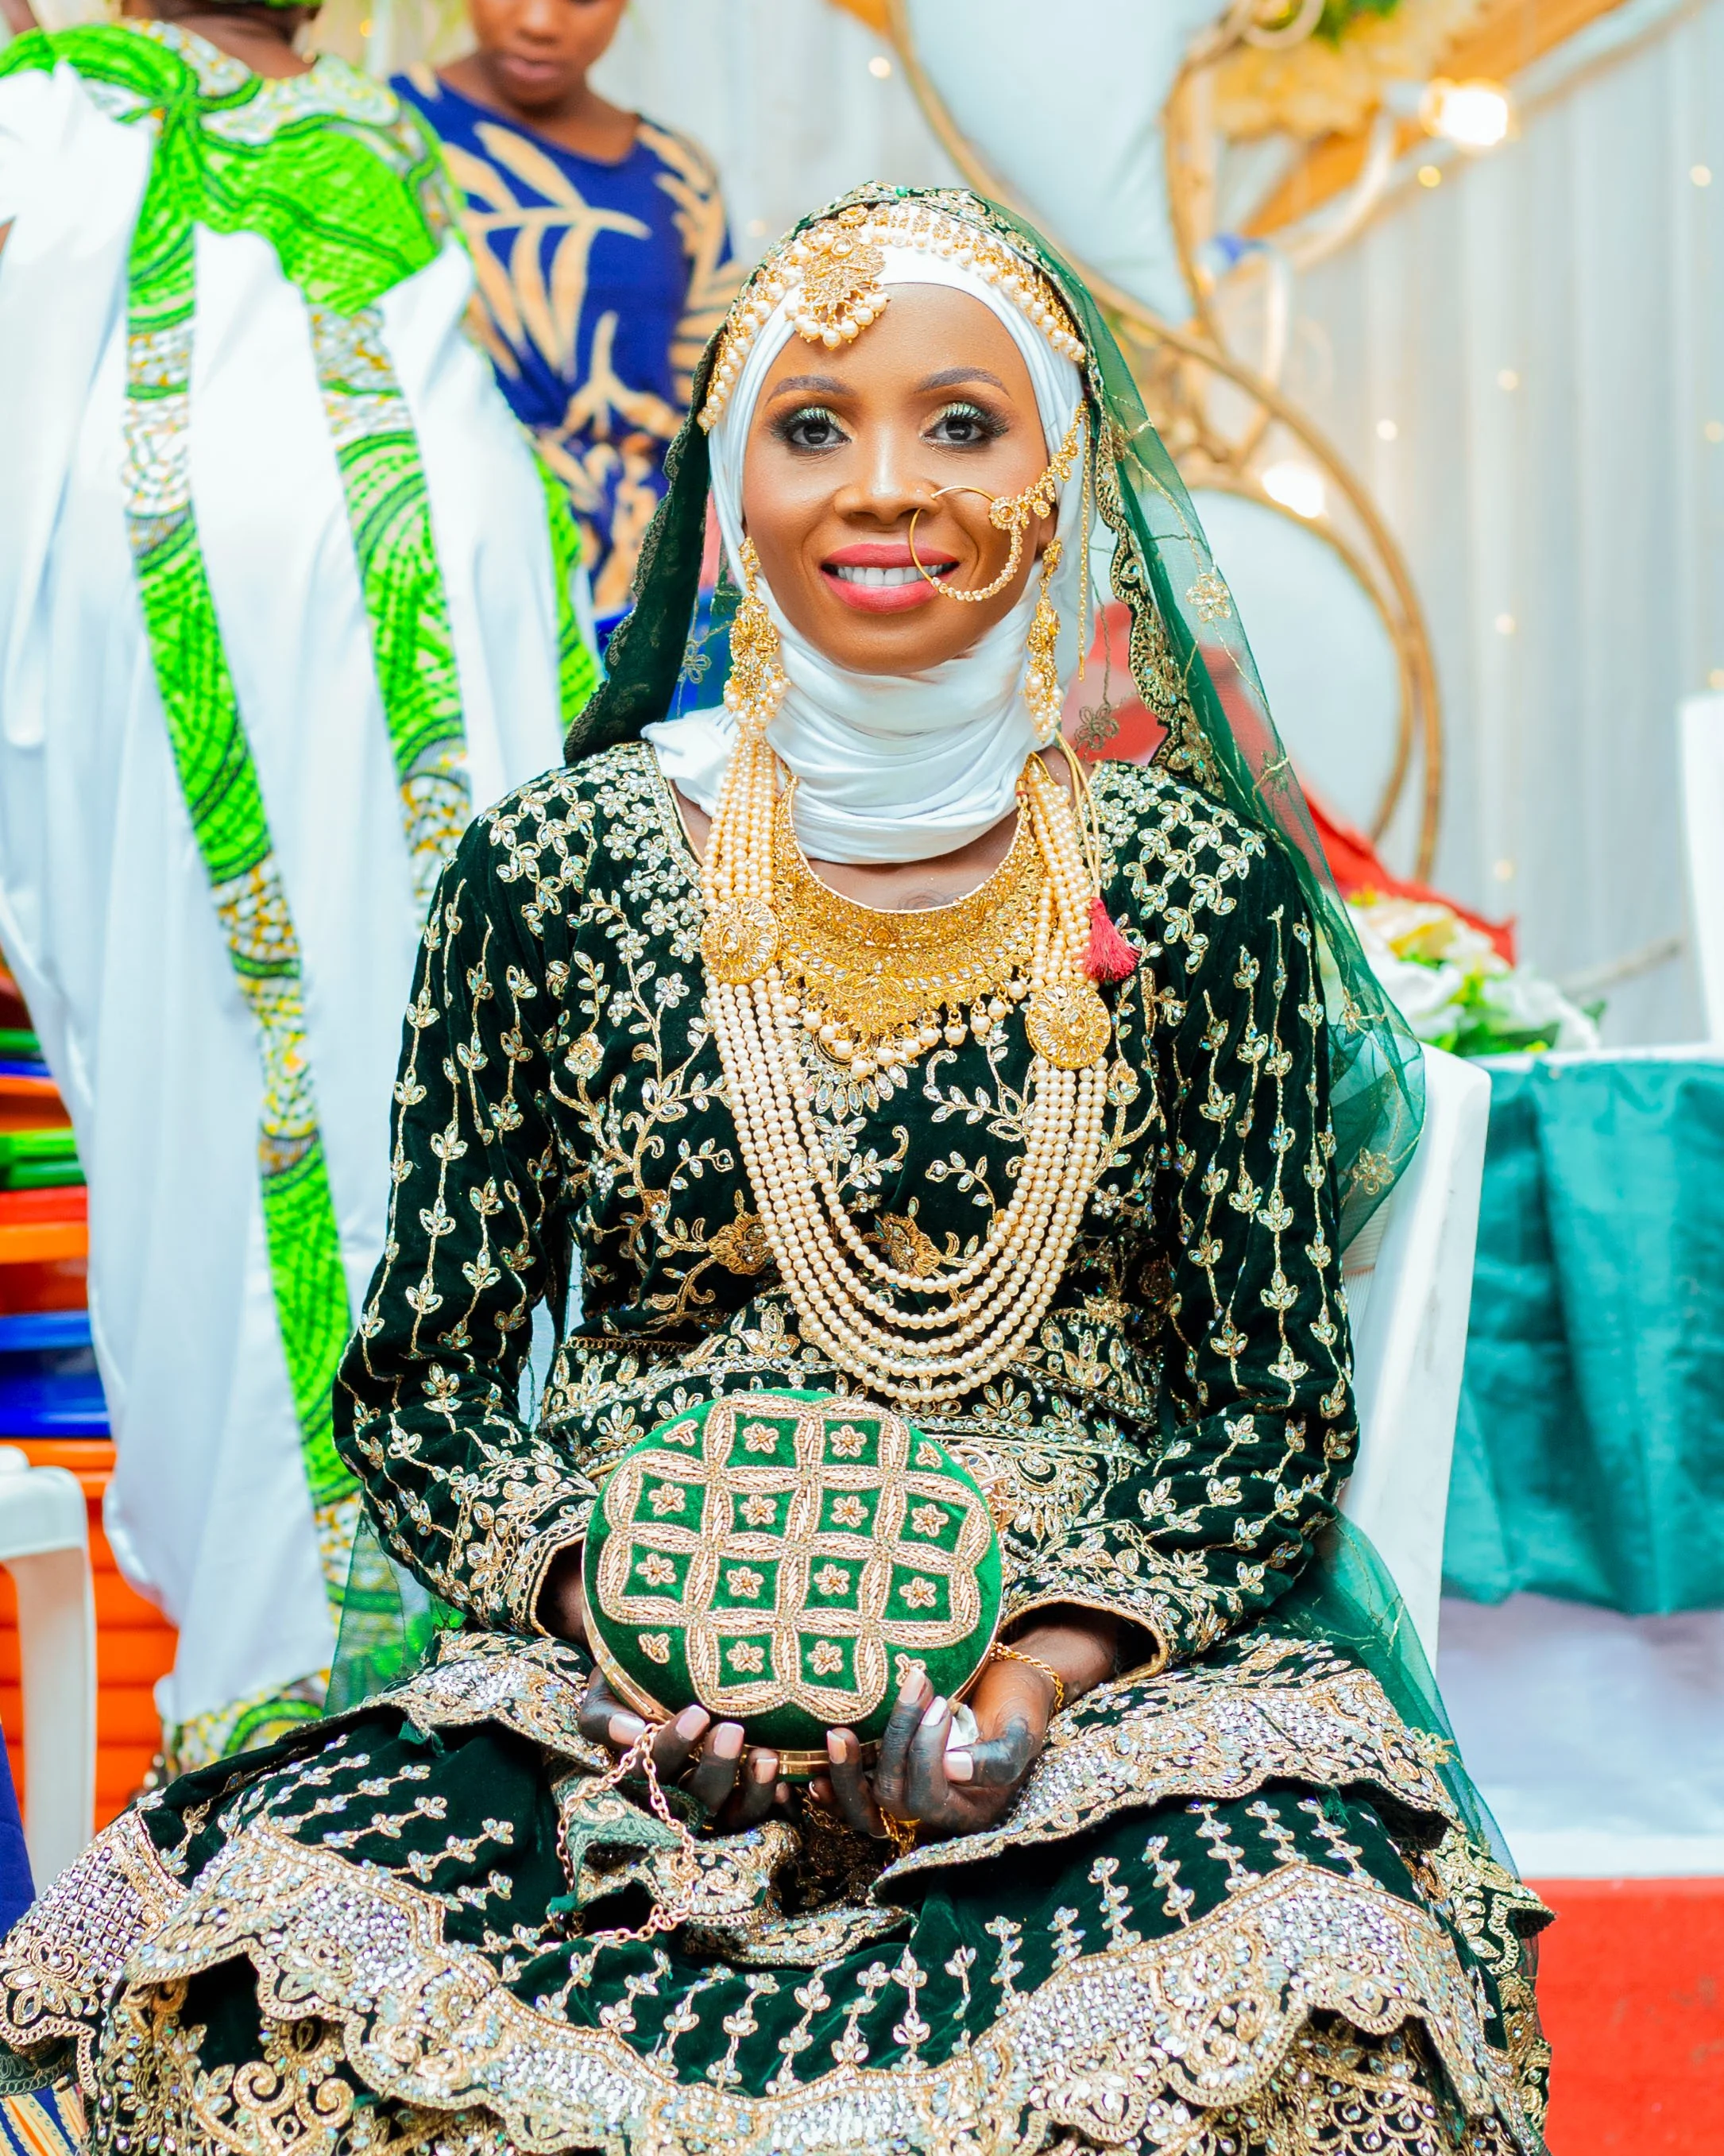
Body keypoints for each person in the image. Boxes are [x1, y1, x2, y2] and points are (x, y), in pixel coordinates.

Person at [0, 186, 1550, 2153]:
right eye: (813, 425)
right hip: (607, 1695)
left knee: (1315, 2005)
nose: (883, 484)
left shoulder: (1187, 885)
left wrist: (1026, 1680)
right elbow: (424, 1387)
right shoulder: (553, 868)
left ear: (1061, 476)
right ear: (734, 486)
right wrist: (625, 1624)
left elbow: (1264, 1415)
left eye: (961, 422)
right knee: (264, 1998)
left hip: (1086, 1696)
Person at [0, 0, 597, 1773]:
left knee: (391, 1139)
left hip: (384, 759)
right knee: (284, 1137)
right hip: (240, 760)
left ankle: (410, 1669)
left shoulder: (360, 140)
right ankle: (316, 1685)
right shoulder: (97, 120)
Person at [396, 0, 738, 622]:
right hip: (449, 547)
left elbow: (713, 393)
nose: (540, 23)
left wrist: (708, 526)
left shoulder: (676, 173)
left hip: (650, 574)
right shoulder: (384, 133)